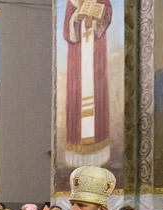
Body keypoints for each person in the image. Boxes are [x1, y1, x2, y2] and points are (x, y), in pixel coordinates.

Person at [63, 0, 112, 167]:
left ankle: (97, 154)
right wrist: (76, 17)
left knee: (97, 94)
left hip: (95, 51)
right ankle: (78, 155)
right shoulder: (71, 2)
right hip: (78, 57)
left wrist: (97, 18)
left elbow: (108, 12)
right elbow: (66, 32)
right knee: (77, 97)